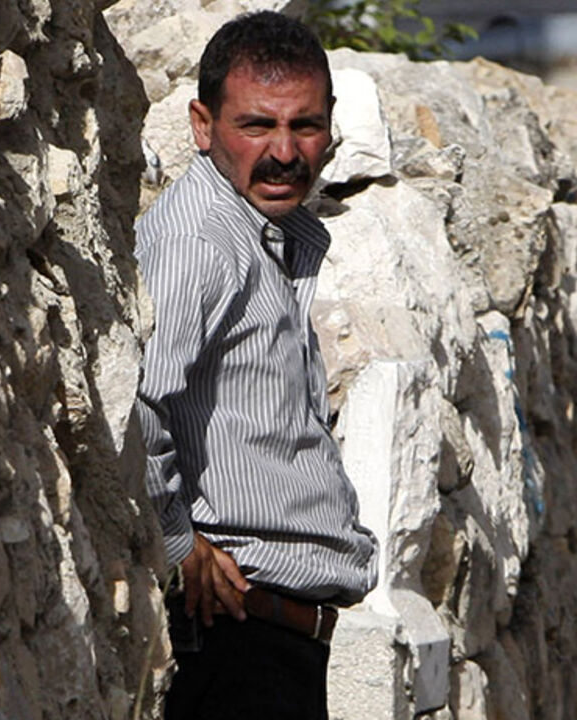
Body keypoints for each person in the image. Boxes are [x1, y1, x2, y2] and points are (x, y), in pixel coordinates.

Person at [134, 12, 377, 719]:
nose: (283, 151)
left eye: (304, 126)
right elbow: (138, 397)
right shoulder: (200, 240)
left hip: (273, 647)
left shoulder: (270, 234)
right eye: (256, 126)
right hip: (234, 639)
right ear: (202, 126)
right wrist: (180, 543)